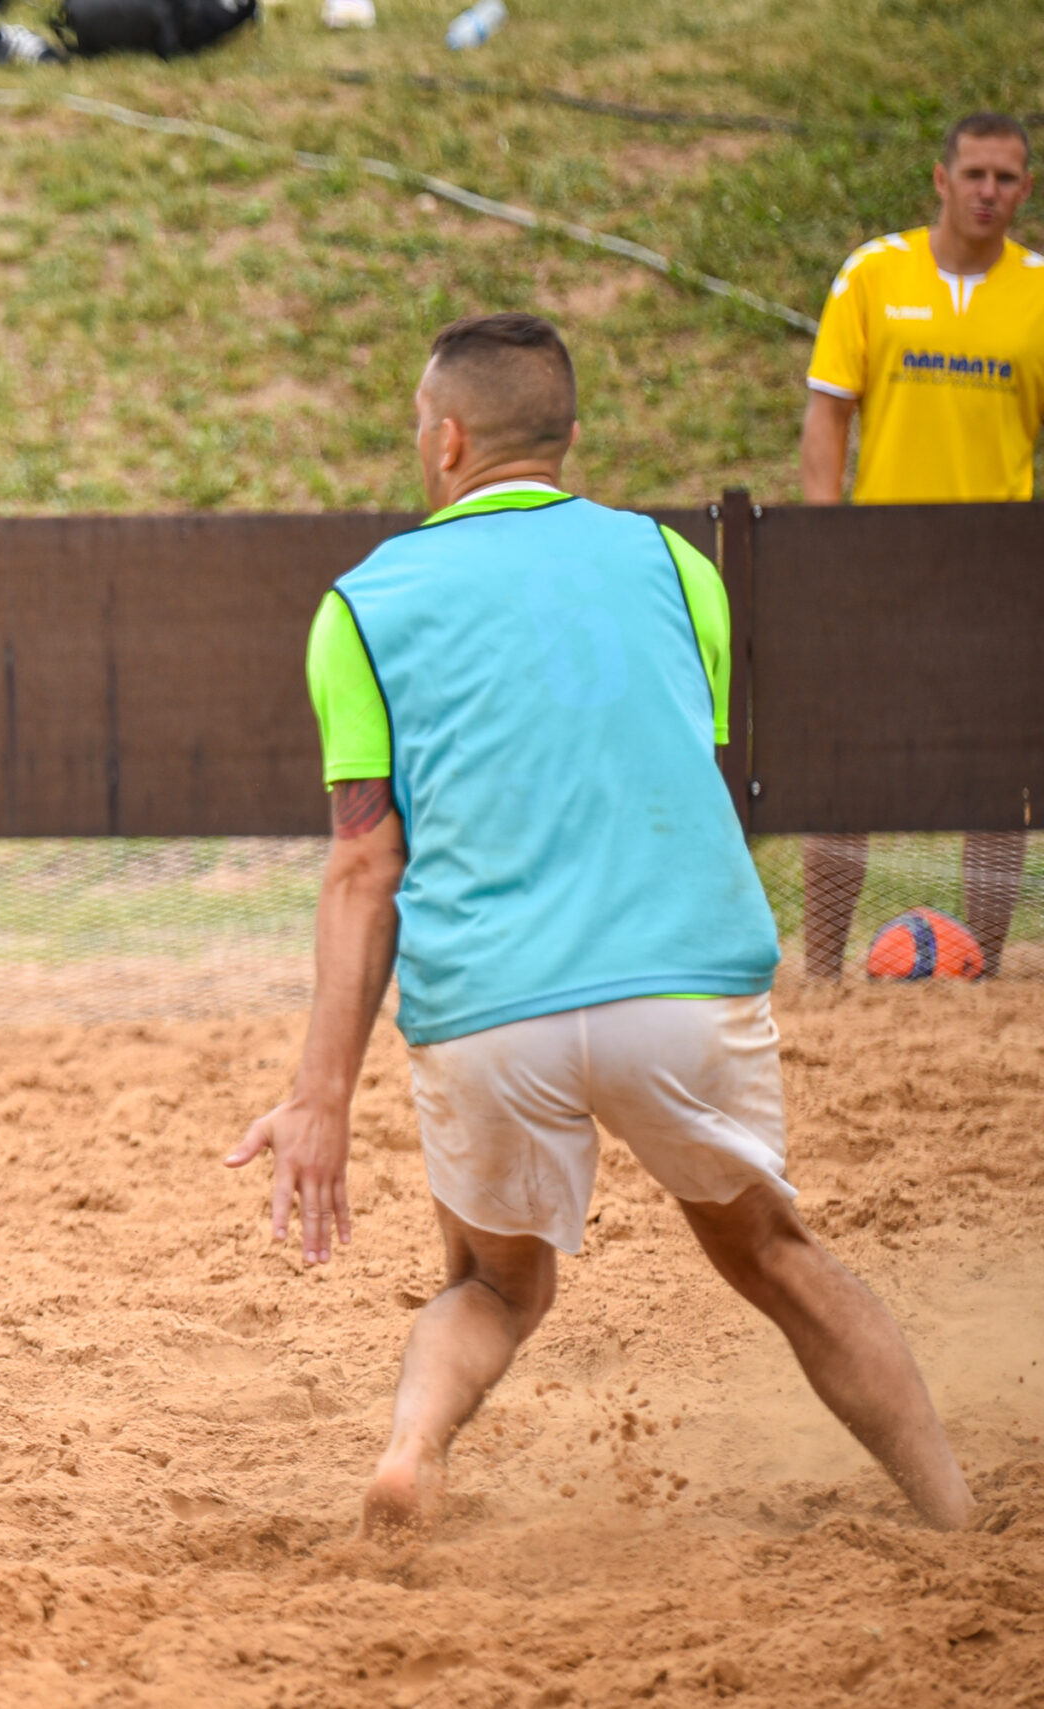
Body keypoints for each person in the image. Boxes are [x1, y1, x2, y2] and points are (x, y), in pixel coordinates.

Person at [230, 313, 972, 1535]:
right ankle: (950, 1511)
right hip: (681, 979)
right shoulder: (680, 568)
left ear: (447, 439)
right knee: (775, 1255)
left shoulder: (359, 603)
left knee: (491, 1285)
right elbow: (684, 768)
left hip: (488, 1003)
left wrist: (320, 1096)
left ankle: (411, 1448)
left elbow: (363, 865)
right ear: (568, 435)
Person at [797, 112, 1039, 981]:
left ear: (1026, 189)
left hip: (995, 573)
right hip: (880, 568)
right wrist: (825, 541)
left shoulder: (1038, 292)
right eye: (974, 174)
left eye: (1005, 178)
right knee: (846, 774)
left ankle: (985, 973)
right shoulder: (873, 273)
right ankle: (822, 974)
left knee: (995, 784)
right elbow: (828, 415)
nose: (988, 192)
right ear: (942, 179)